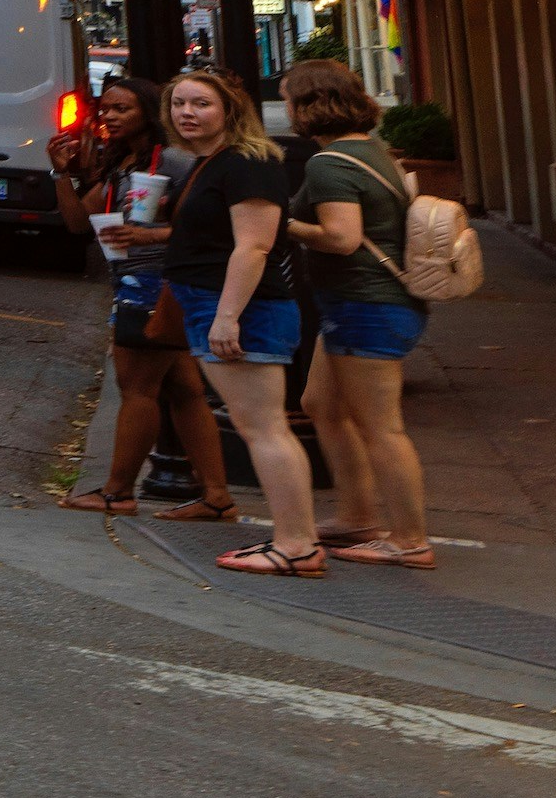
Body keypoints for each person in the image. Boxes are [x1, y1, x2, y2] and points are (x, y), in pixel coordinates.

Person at [158, 66, 322, 577]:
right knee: (261, 427)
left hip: (240, 308)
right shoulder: (215, 163)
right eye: (179, 103)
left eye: (201, 103)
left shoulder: (247, 164)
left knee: (264, 428)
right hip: (219, 303)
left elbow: (254, 246)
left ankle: (297, 545)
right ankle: (295, 540)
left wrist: (227, 317)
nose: (187, 112)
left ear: (231, 110)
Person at [55, 73, 228, 522]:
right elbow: (78, 223)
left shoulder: (173, 161)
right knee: (185, 391)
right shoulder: (123, 165)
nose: (108, 117)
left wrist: (150, 235)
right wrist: (61, 171)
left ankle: (117, 492)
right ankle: (216, 496)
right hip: (140, 280)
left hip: (152, 283)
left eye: (121, 109)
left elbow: (212, 223)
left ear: (147, 114)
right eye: (105, 109)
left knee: (136, 388)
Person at [284, 61, 436, 567]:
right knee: (320, 404)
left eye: (290, 98)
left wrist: (285, 225)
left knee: (381, 427)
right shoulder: (372, 150)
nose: (286, 108)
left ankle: (410, 540)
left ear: (309, 105)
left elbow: (343, 238)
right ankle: (357, 516)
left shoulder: (328, 165)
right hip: (366, 303)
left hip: (365, 303)